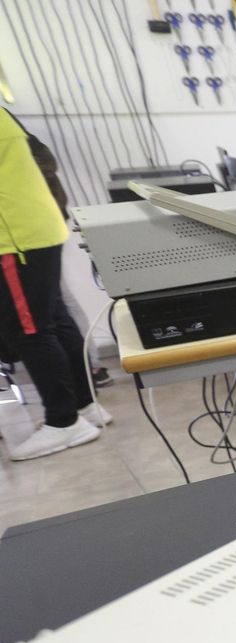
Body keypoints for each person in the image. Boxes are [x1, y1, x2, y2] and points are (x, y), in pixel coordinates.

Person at [0, 108, 110, 461]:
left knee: (30, 330)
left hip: (13, 238)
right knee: (53, 319)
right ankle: (85, 405)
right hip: (35, 227)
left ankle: (63, 423)